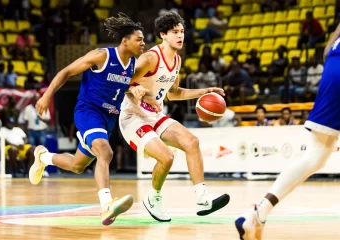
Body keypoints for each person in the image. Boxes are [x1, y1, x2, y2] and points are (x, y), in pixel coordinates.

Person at [28, 13, 147, 226]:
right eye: (139, 39)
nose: (143, 43)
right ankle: (106, 205)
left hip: (108, 118)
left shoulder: (131, 65)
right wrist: (47, 95)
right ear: (125, 41)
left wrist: (134, 91)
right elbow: (66, 71)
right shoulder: (102, 56)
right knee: (106, 151)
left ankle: (43, 157)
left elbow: (116, 85)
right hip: (88, 112)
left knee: (77, 166)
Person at [119, 12, 230, 222]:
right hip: (133, 117)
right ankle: (154, 198)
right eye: (174, 32)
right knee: (167, 157)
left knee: (192, 142)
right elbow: (120, 81)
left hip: (154, 115)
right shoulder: (150, 58)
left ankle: (202, 198)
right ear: (163, 34)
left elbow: (174, 93)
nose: (180, 36)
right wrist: (134, 90)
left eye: (182, 32)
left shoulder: (177, 60)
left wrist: (204, 91)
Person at [235, 23, 340, 240]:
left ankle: (260, 210)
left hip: (333, 67)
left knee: (315, 158)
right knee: (315, 157)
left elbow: (326, 48)